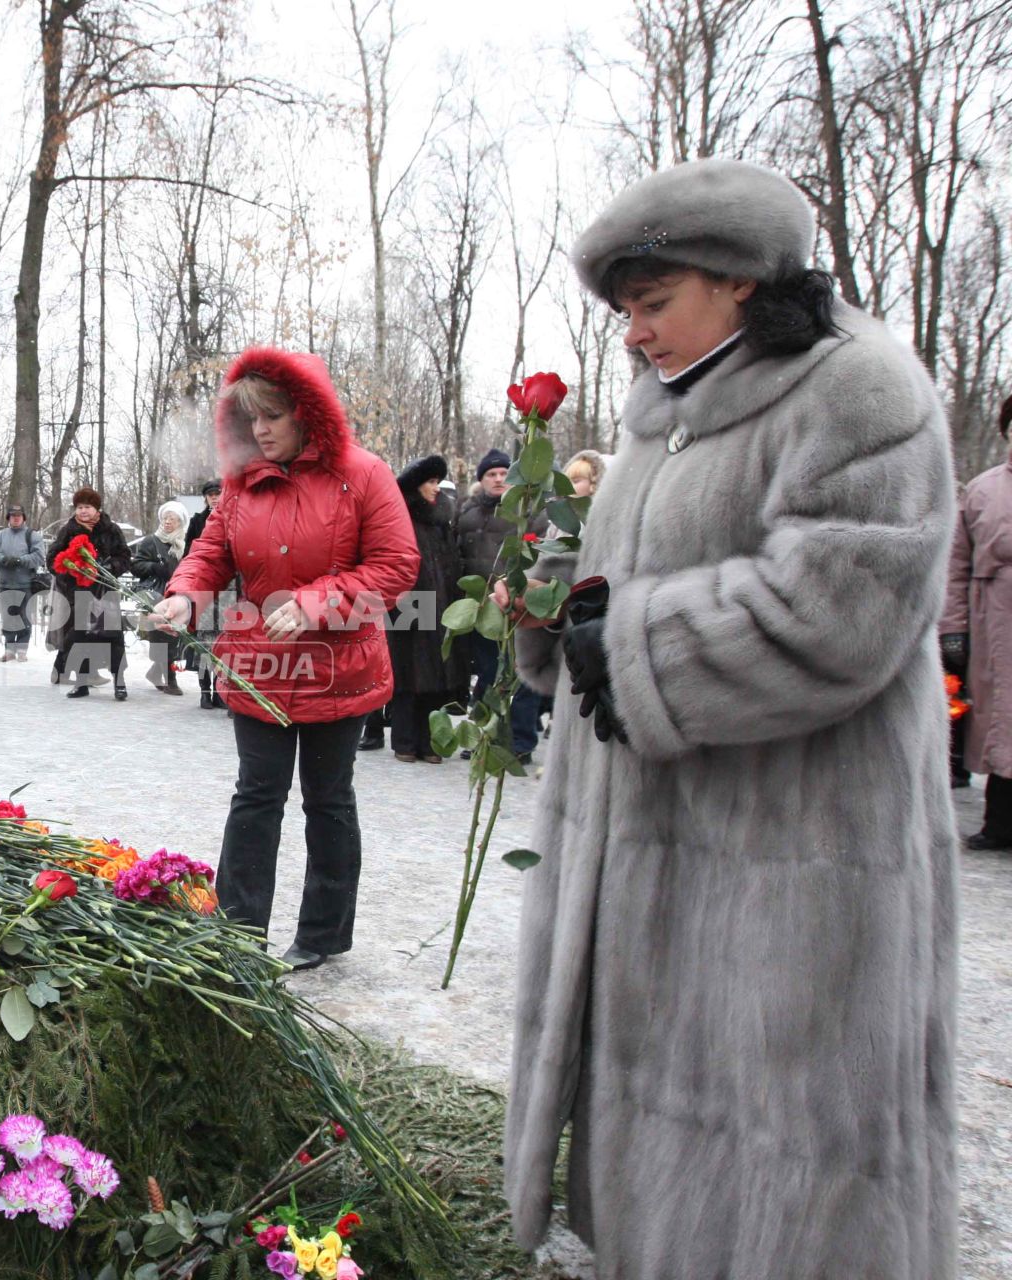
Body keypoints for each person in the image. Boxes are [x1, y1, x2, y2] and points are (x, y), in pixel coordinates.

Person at [500, 159, 958, 1277]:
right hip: (662, 859)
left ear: (743, 279)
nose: (633, 334)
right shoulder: (666, 414)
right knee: (665, 1150)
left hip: (796, 865)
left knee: (793, 1161)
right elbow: (632, 577)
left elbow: (843, 604)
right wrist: (559, 603)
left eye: (654, 305)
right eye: (623, 312)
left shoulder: (862, 389)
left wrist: (643, 641)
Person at [152, 348, 417, 971]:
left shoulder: (364, 474)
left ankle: (323, 934)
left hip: (338, 667)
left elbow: (396, 566)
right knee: (255, 796)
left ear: (306, 411)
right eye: (249, 421)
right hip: (260, 666)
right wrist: (185, 596)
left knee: (328, 799)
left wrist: (316, 602)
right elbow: (211, 552)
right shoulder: (241, 483)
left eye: (272, 416)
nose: (260, 431)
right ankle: (238, 935)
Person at [943, 394, 1012, 846]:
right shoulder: (982, 490)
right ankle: (1000, 824)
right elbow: (955, 567)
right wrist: (953, 631)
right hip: (995, 626)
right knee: (1001, 720)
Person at [457, 447, 547, 762]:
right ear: (481, 479)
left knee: (521, 675)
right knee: (486, 675)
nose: (498, 479)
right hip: (482, 609)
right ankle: (482, 736)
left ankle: (520, 742)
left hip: (520, 608)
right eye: (491, 474)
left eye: (503, 474)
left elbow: (542, 556)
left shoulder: (529, 513)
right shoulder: (467, 514)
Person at [386, 456, 465, 762]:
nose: (435, 488)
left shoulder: (441, 519)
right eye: (429, 482)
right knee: (407, 675)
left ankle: (430, 742)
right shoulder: (399, 517)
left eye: (437, 482)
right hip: (408, 604)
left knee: (436, 677)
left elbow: (450, 561)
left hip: (441, 605)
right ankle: (404, 741)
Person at [49, 486, 133, 700]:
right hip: (78, 591)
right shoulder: (68, 529)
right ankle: (82, 682)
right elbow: (52, 560)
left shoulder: (110, 529)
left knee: (113, 637)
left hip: (104, 590)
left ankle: (119, 682)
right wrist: (73, 572)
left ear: (97, 509)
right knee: (80, 636)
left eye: (88, 507)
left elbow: (125, 556)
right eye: (79, 507)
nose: (83, 511)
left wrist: (109, 567)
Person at [131, 501, 190, 694]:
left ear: (181, 522)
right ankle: (170, 679)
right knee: (161, 636)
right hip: (156, 595)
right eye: (165, 518)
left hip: (179, 593)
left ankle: (157, 673)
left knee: (174, 636)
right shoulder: (151, 541)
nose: (167, 522)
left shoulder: (185, 543)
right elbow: (136, 566)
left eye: (172, 519)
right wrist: (155, 567)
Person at [183, 479, 229, 710]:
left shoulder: (234, 517)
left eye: (218, 493)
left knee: (225, 643)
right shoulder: (197, 521)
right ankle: (204, 691)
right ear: (205, 497)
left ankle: (221, 691)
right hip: (204, 589)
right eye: (210, 494)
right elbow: (188, 555)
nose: (214, 497)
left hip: (229, 590)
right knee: (204, 643)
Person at [0, 506, 46, 661]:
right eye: (13, 516)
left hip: (25, 583)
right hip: (5, 583)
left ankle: (22, 650)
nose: (16, 518)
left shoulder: (33, 536)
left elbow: (39, 556)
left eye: (19, 515)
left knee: (24, 617)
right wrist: (3, 559)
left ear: (24, 518)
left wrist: (20, 561)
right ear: (8, 518)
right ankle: (9, 649)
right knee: (8, 617)